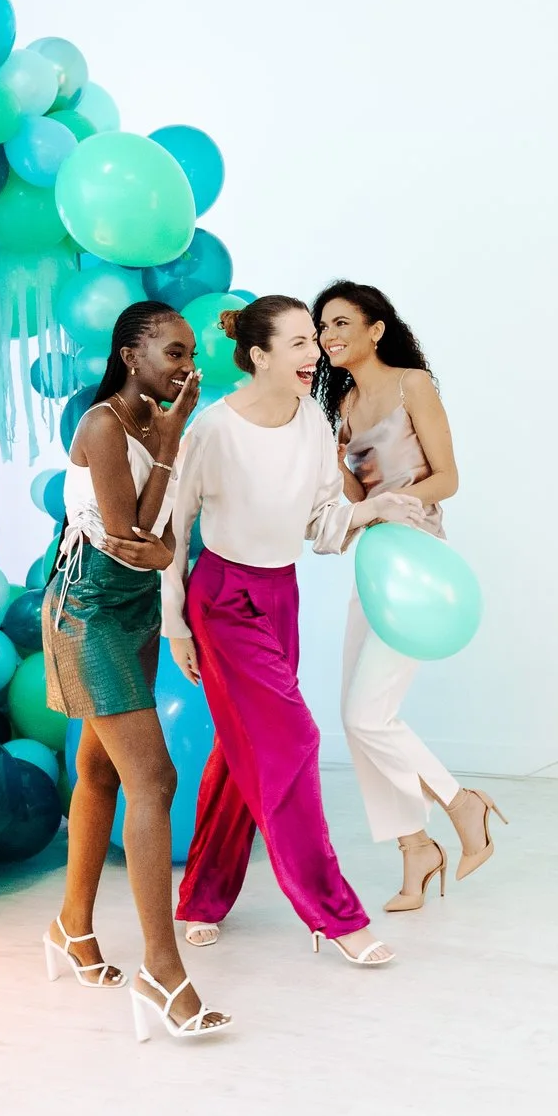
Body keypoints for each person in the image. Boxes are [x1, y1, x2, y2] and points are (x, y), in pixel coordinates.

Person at [166, 296, 419, 965]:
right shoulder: (212, 430)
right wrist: (176, 625)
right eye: (300, 343)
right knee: (295, 737)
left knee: (238, 750)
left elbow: (323, 525)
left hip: (281, 594)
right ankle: (335, 914)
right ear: (258, 356)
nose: (315, 354)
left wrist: (379, 505)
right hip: (222, 600)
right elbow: (173, 531)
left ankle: (200, 896)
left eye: (315, 339)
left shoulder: (313, 422)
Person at [40, 300, 231, 1042]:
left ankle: (70, 930)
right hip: (86, 613)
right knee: (154, 779)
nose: (187, 367)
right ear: (129, 356)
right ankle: (162, 969)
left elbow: (155, 536)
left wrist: (175, 427)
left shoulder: (155, 423)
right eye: (174, 354)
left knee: (100, 771)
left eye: (189, 356)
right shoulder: (102, 427)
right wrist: (149, 546)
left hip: (132, 611)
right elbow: (131, 535)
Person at [313, 281, 505, 913]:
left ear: (376, 329)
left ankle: (460, 803)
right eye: (321, 326)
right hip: (373, 563)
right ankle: (414, 848)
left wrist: (391, 503)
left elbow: (448, 478)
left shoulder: (411, 385)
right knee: (356, 718)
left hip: (418, 561)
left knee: (370, 716)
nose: (328, 334)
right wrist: (337, 459)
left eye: (341, 322)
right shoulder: (338, 404)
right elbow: (350, 497)